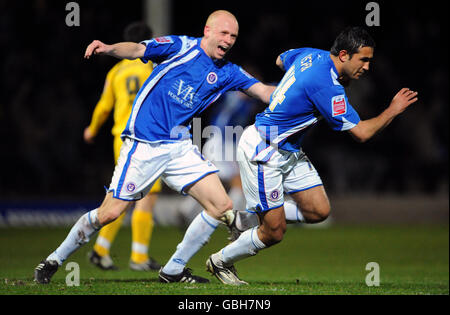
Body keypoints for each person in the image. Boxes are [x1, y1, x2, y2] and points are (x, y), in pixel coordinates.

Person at [34, 10, 276, 284]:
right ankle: (54, 259)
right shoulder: (180, 46)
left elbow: (263, 91)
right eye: (224, 33)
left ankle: (173, 270)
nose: (229, 40)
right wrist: (109, 48)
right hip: (143, 145)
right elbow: (138, 49)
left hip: (178, 146)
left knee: (221, 205)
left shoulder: (228, 72)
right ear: (207, 31)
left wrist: (298, 91)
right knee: (110, 213)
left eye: (233, 36)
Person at [206, 26, 418, 285]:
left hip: (288, 149)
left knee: (318, 211)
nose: (367, 67)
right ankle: (220, 261)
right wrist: (393, 110)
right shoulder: (327, 86)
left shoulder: (311, 54)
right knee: (273, 232)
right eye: (363, 59)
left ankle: (246, 218)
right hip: (265, 150)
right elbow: (362, 133)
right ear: (343, 55)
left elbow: (280, 59)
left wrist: (295, 86)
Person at [83, 22, 161, 271]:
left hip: (121, 139)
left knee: (123, 195)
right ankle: (138, 257)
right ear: (147, 42)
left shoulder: (116, 72)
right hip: (146, 139)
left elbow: (104, 106)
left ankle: (100, 249)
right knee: (146, 195)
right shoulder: (152, 67)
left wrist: (92, 129)